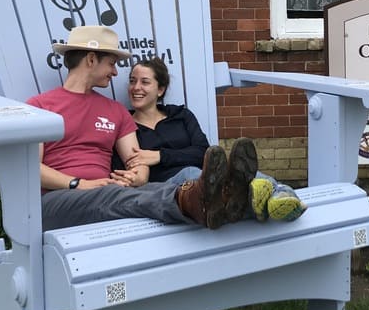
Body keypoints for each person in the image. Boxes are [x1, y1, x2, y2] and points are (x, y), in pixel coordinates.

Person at [26, 25, 254, 231]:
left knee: (142, 191)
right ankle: (195, 201)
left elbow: (137, 162)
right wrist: (78, 184)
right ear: (92, 59)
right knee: (116, 195)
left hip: (110, 194)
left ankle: (227, 199)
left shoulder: (115, 111)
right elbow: (30, 168)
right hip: (57, 201)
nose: (115, 72)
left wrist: (136, 177)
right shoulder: (39, 107)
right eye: (112, 63)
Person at [124, 56, 306, 222]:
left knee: (231, 171)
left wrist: (160, 156)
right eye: (132, 81)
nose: (136, 87)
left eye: (144, 82)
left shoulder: (180, 115)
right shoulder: (125, 126)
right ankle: (259, 201)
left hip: (209, 174)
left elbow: (203, 151)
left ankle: (283, 195)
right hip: (174, 189)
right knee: (193, 174)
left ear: (160, 89)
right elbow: (127, 168)